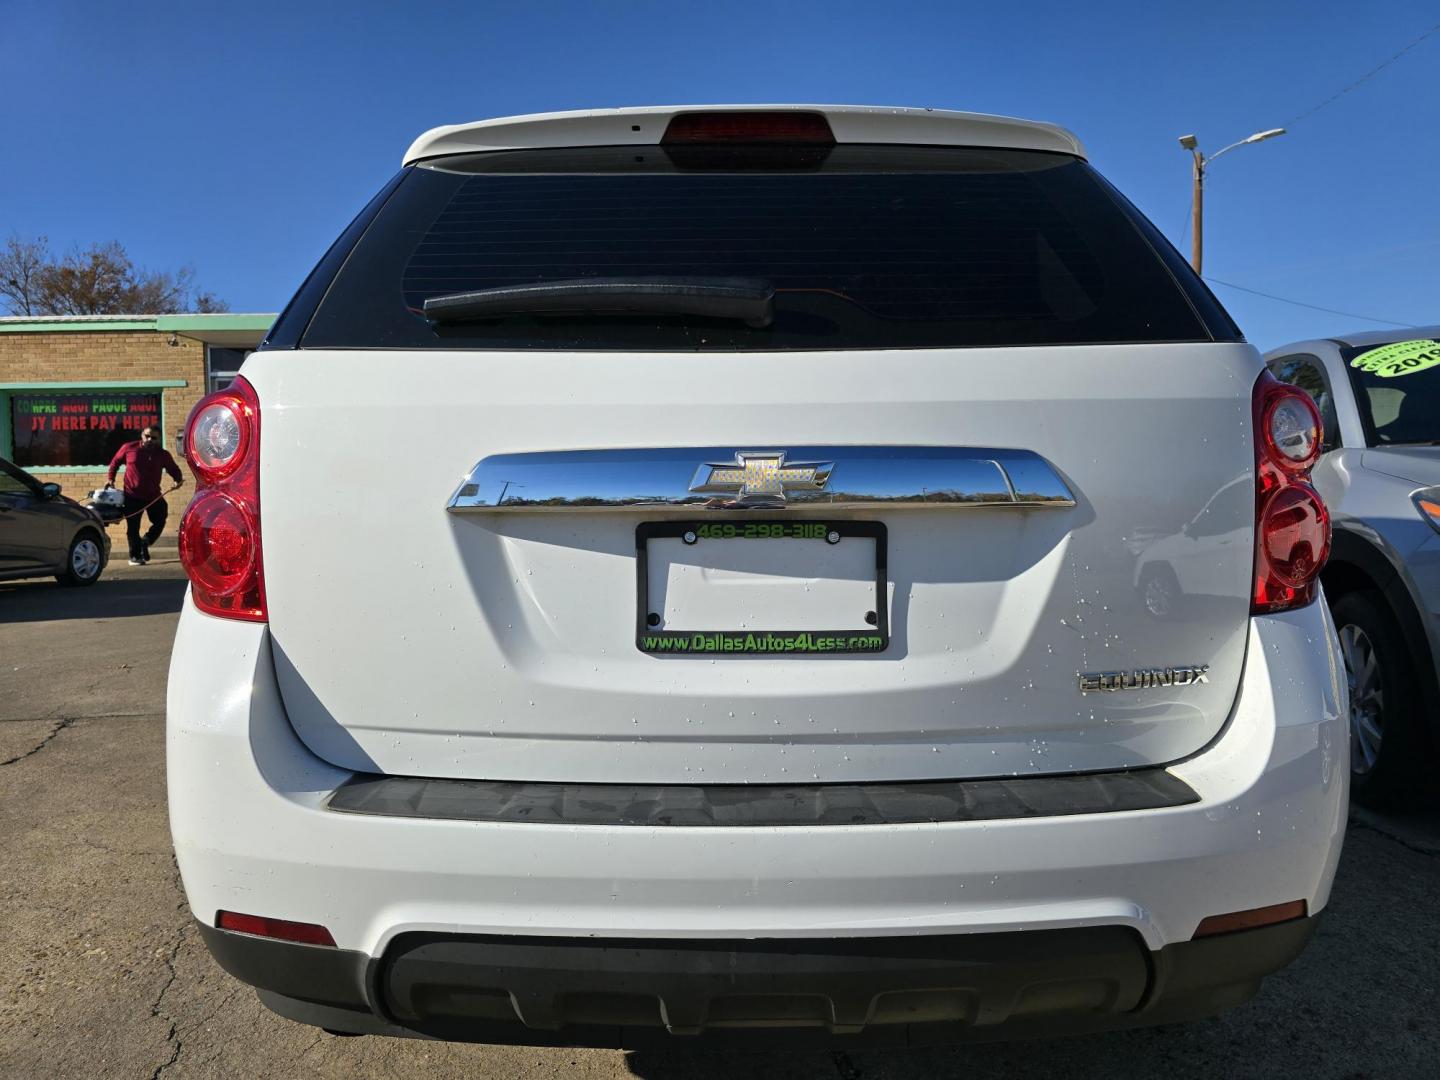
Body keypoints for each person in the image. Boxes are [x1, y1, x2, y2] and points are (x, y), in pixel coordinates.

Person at [106, 426, 184, 565]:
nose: (150, 440)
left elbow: (173, 468)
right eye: (147, 436)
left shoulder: (162, 454)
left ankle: (146, 541)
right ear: (142, 435)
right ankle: (135, 556)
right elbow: (115, 463)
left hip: (153, 496)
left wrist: (178, 480)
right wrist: (111, 479)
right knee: (133, 527)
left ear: (158, 439)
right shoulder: (129, 448)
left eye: (154, 438)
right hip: (132, 495)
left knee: (160, 519)